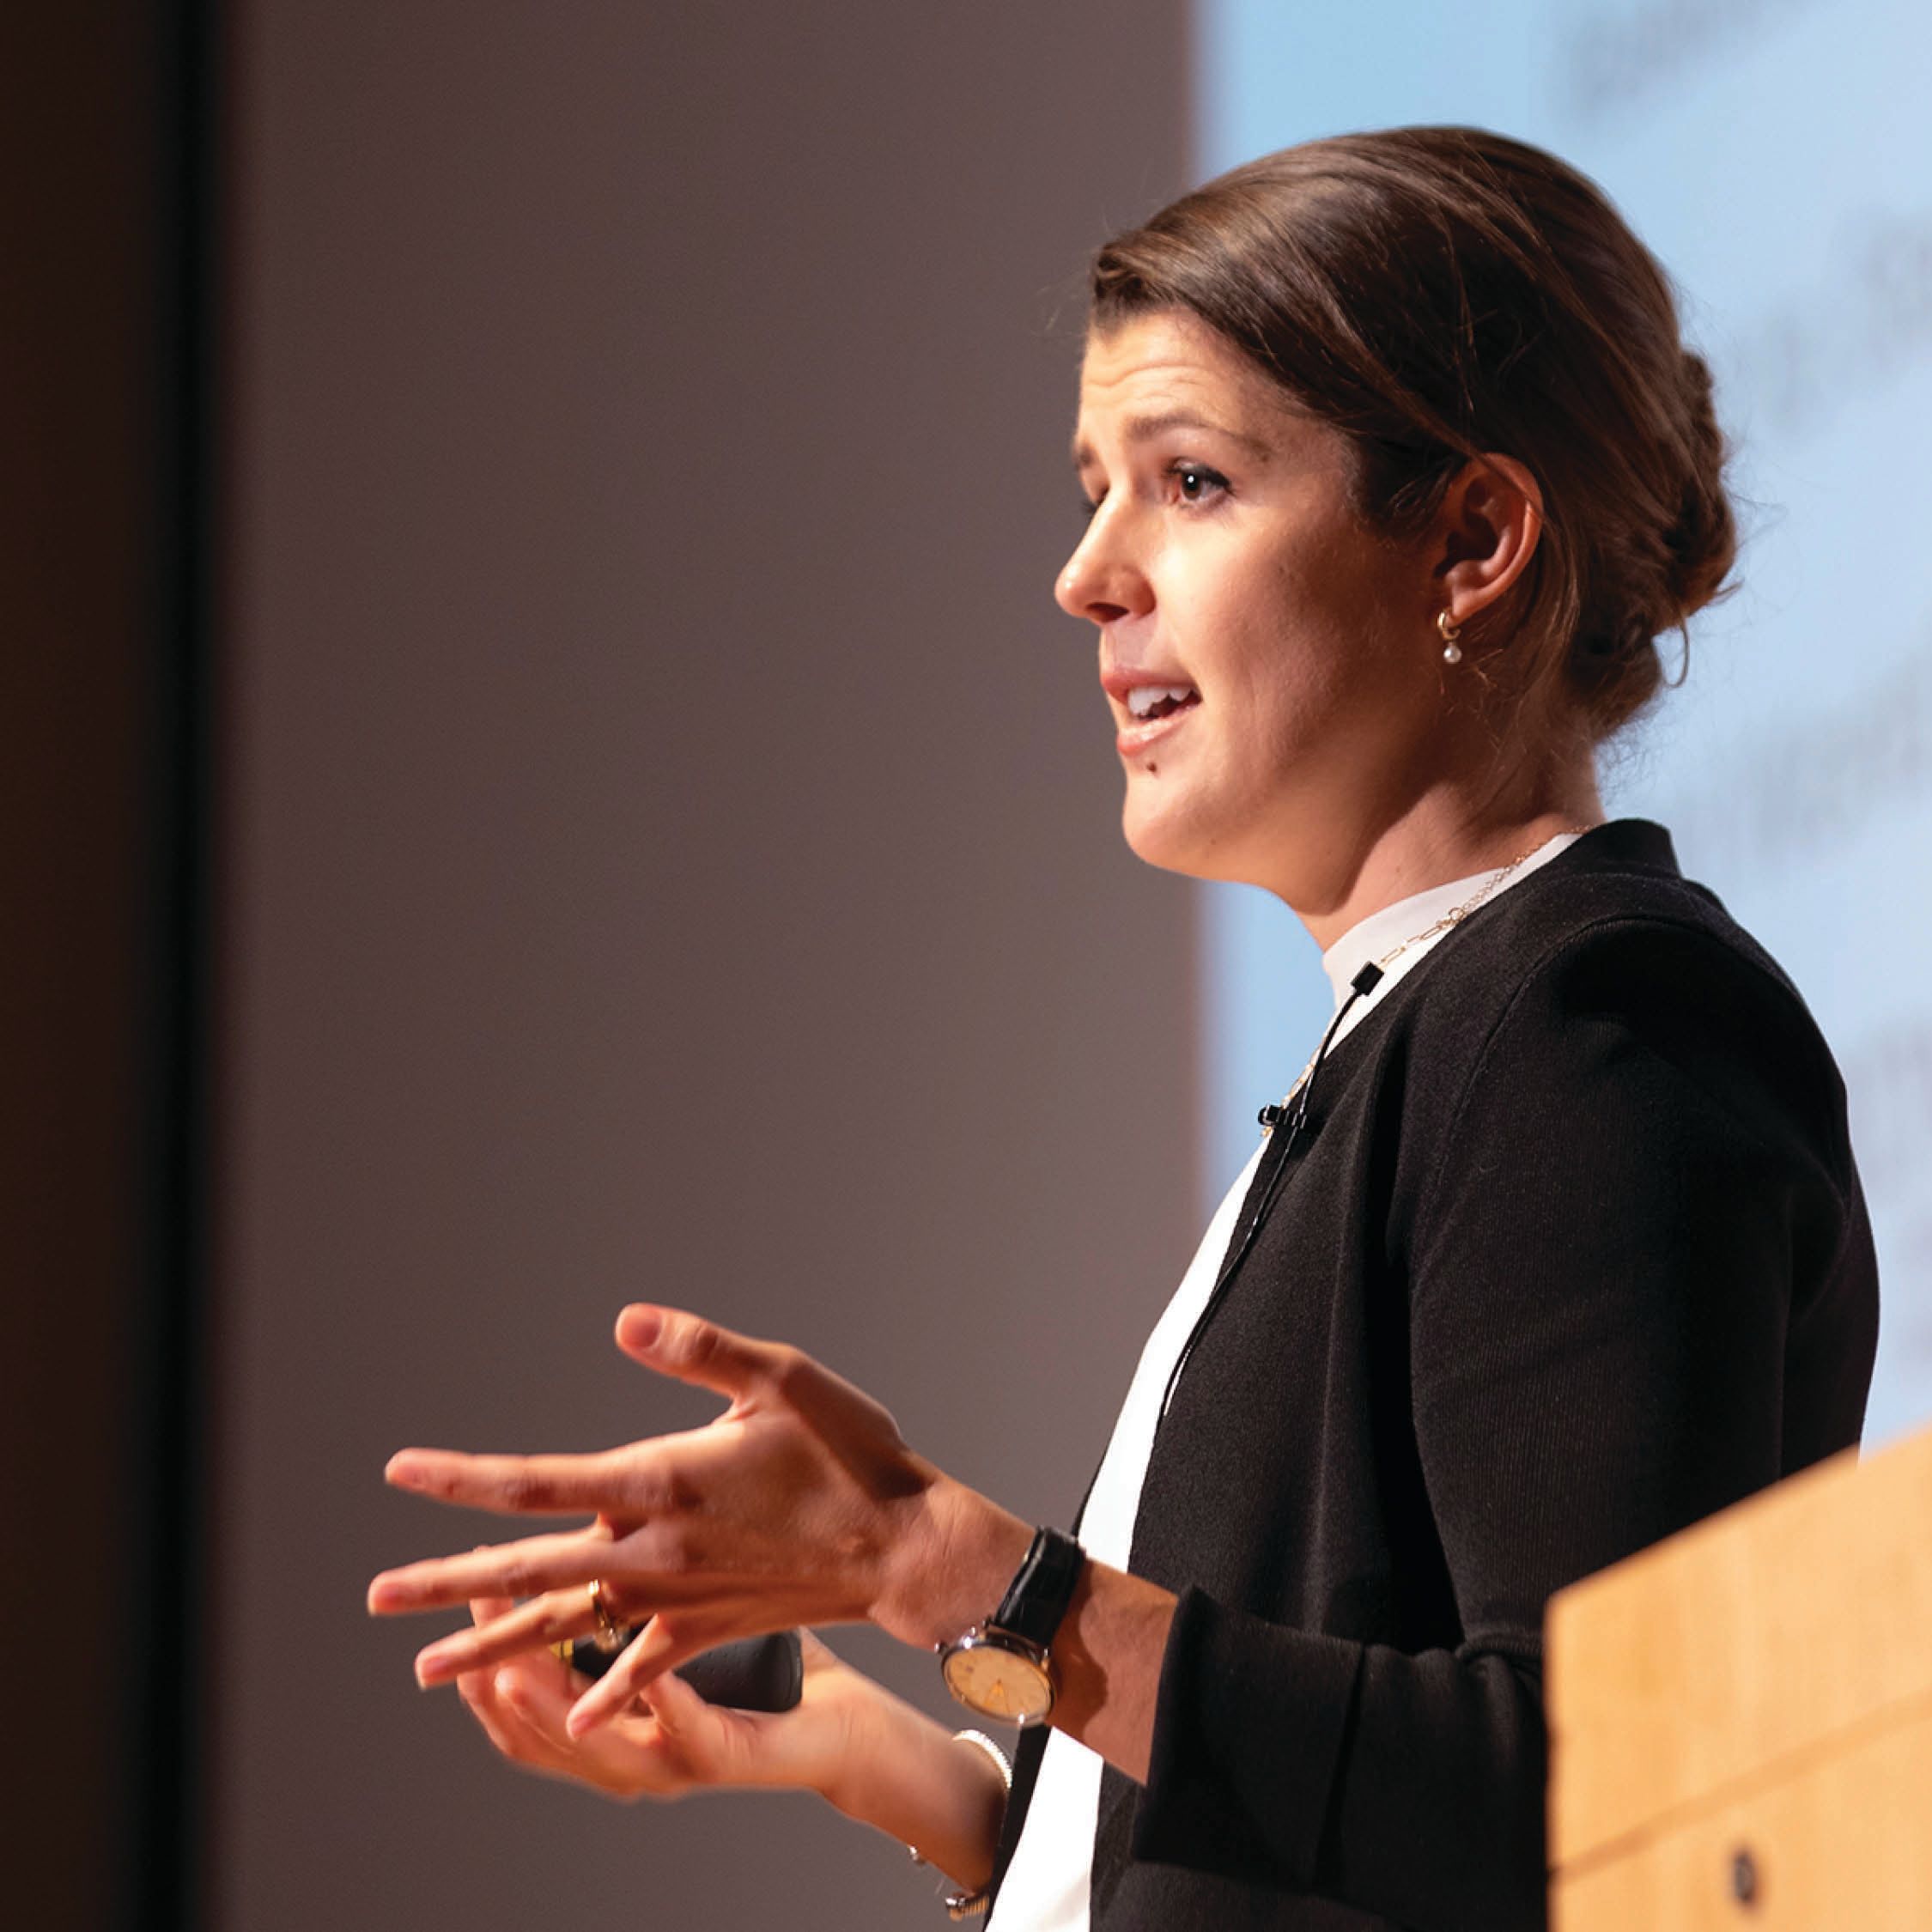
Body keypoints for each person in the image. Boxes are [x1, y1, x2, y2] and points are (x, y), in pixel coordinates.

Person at [366, 126, 1878, 1930]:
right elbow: (1344, 1846)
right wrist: (902, 1769)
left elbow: (1598, 1806)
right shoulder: (1413, 1034)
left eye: (1191, 481)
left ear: (1470, 540)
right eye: (1095, 487)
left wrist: (956, 1573)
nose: (1088, 573)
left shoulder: (1593, 1021)